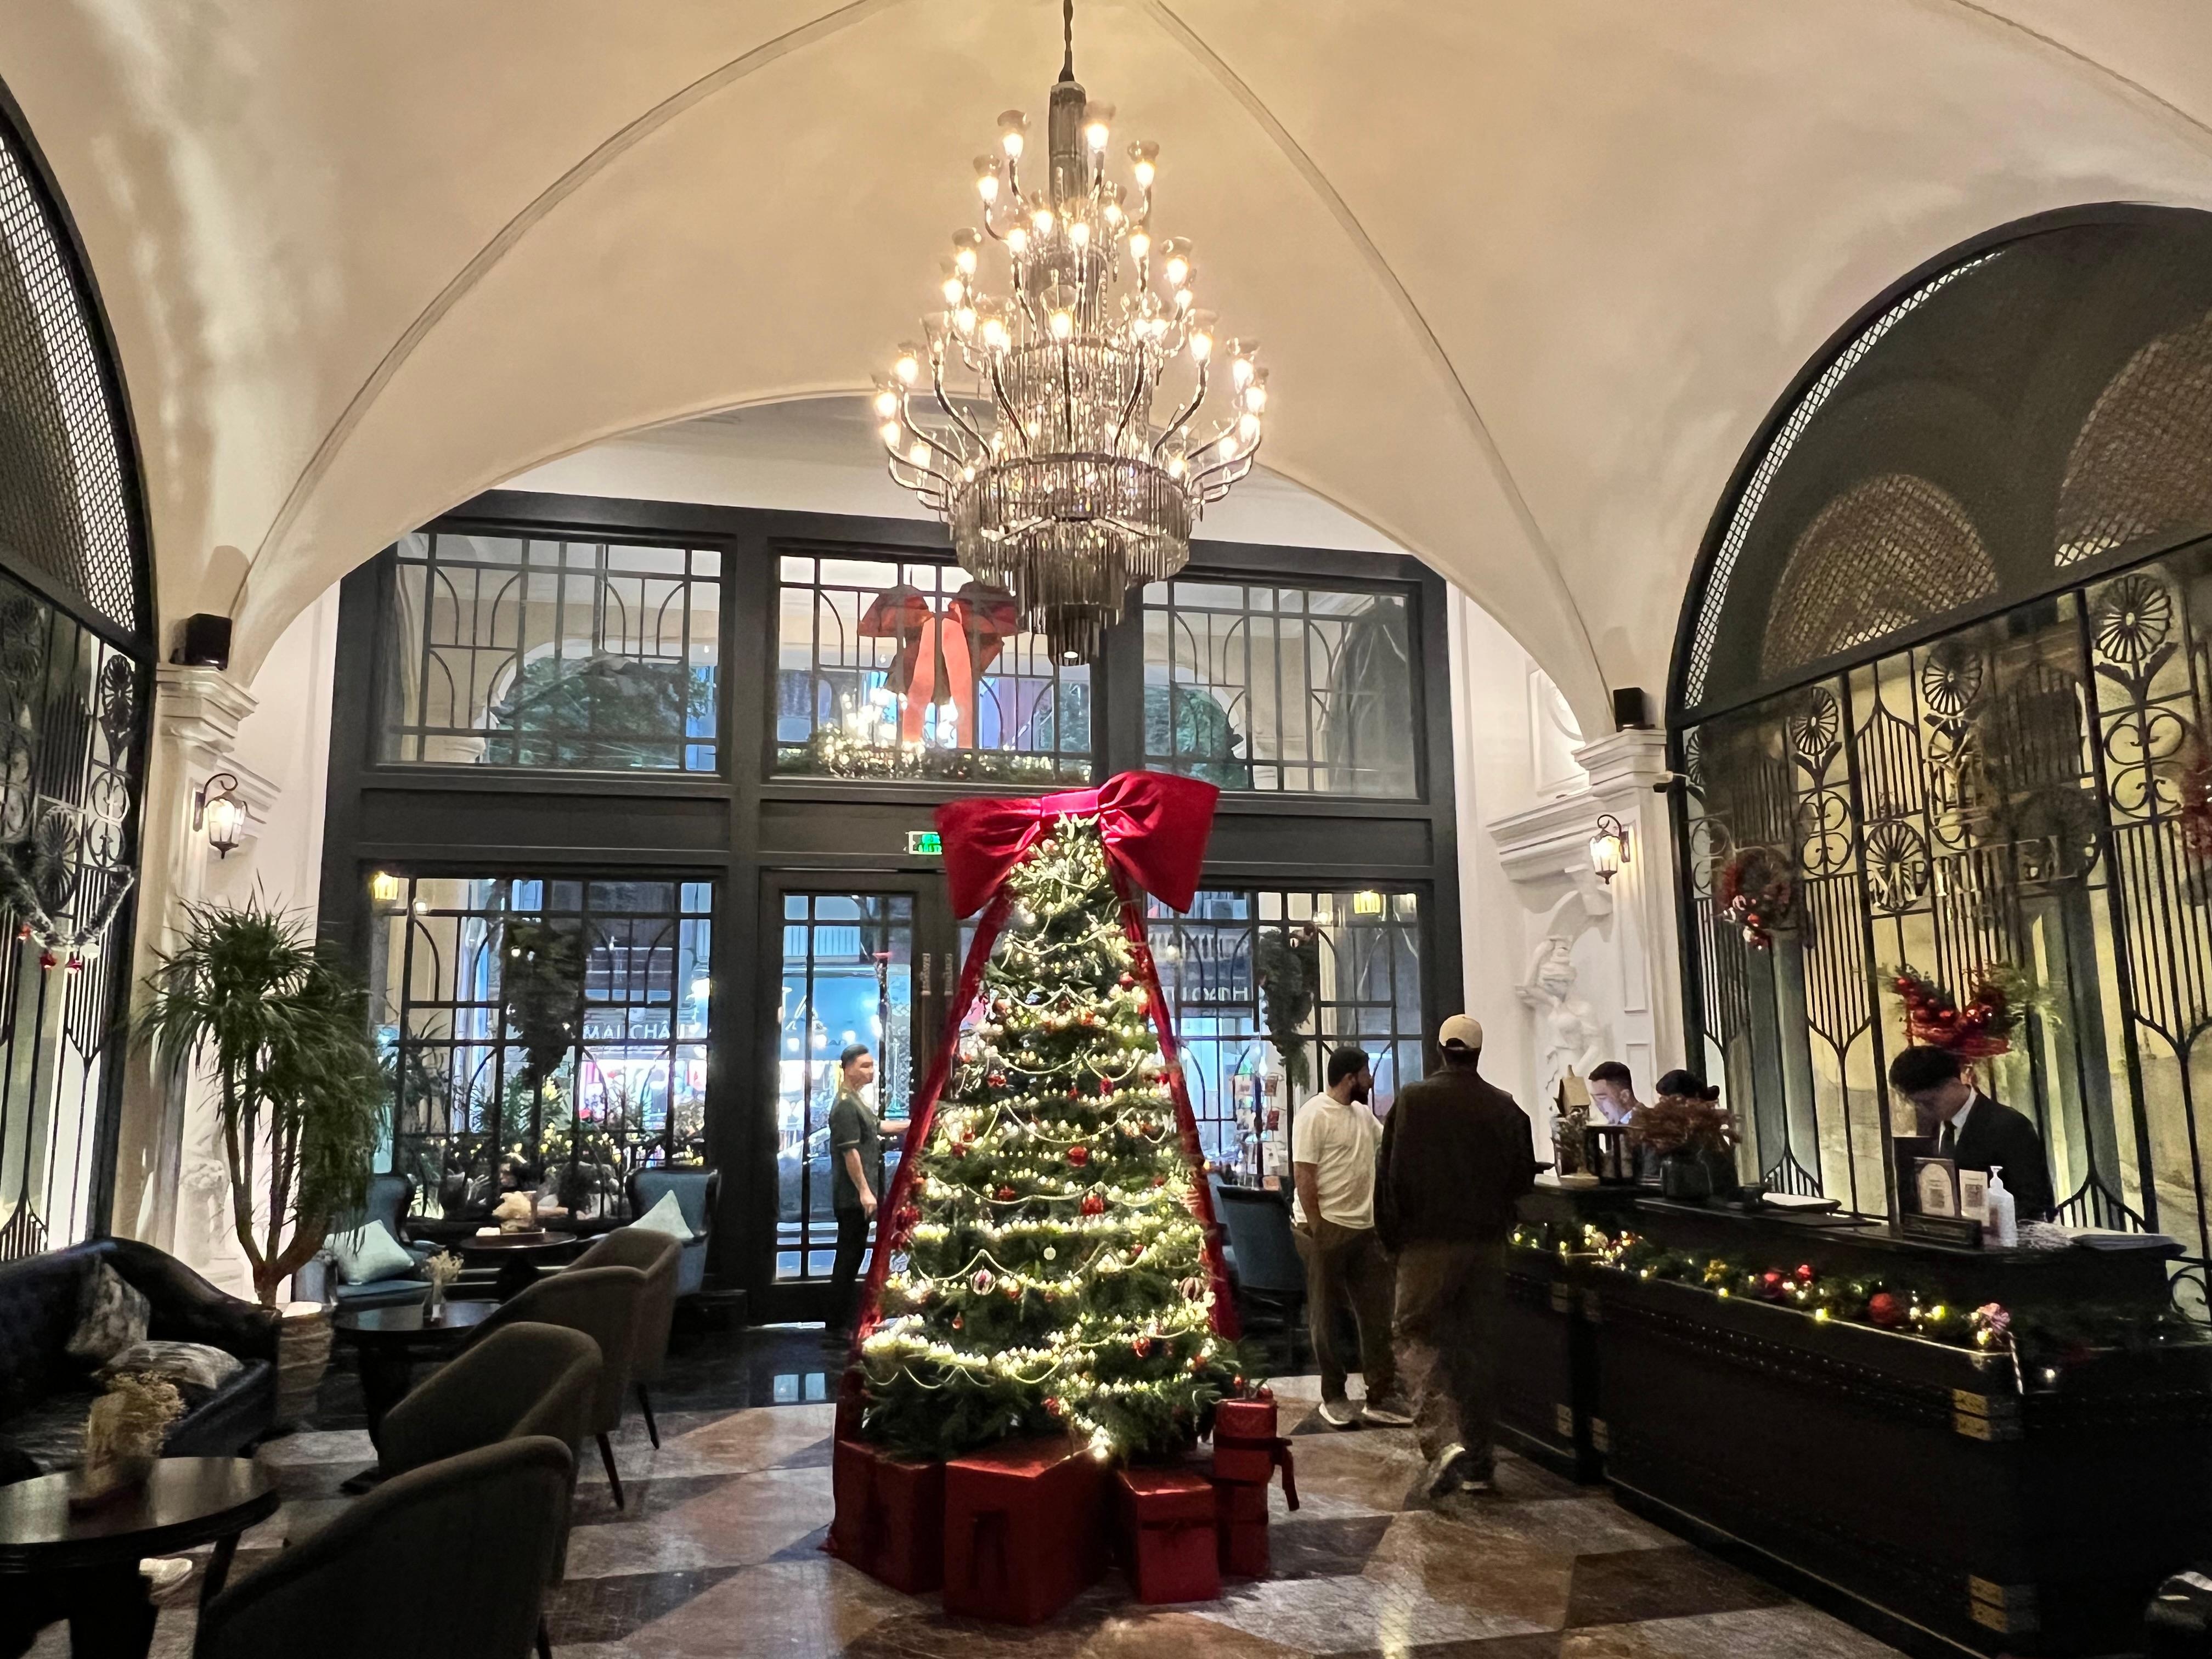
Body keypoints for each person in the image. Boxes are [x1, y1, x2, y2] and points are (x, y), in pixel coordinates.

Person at [1377, 1015, 1537, 1500]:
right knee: (1478, 1346)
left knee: (1413, 1334)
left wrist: (1392, 1239)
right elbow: (1523, 1179)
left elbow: (1390, 1176)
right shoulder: (1505, 1107)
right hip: (1487, 1245)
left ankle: (1443, 1442)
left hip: (1426, 1245)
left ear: (1441, 1050)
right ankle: (1481, 1463)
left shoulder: (1412, 1101)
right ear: (1478, 1053)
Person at [1291, 1047, 1412, 1429]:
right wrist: (1318, 1225)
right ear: (1349, 1079)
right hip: (1324, 1229)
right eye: (1365, 1074)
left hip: (1365, 1229)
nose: (1370, 1081)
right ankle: (1334, 1395)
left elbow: (1388, 1146)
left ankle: (1381, 1394)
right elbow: (1304, 1175)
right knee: (1324, 1316)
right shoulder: (1313, 1115)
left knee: (1377, 1313)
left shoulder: (1362, 1114)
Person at [1887, 1045, 2055, 1220]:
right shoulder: (1937, 1125)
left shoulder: (2009, 1125)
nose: (1923, 1111)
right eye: (1917, 1104)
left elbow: (2035, 1201)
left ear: (1953, 1084)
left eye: (1930, 1103)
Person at [825, 1042, 907, 1346]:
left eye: (872, 1065)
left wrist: (915, 1123)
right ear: (847, 1069)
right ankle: (835, 1327)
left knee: (853, 1254)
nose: (871, 1071)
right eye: (864, 1066)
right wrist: (864, 1192)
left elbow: (877, 1127)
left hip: (858, 1194)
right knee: (848, 1257)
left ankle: (841, 1323)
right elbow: (850, 1153)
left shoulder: (856, 1101)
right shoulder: (845, 1104)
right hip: (851, 1197)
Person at [1586, 1060, 1640, 1126]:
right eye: (1594, 1099)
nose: (1598, 1105)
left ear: (1625, 1096)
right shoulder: (1616, 1125)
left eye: (1601, 1098)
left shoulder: (1648, 1126)